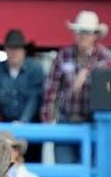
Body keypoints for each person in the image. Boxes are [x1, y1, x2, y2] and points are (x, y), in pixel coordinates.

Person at [40, 10, 111, 163]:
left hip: (94, 125)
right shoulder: (63, 55)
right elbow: (50, 91)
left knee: (94, 171)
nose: (82, 35)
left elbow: (107, 73)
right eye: (78, 31)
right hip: (67, 121)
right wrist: (48, 123)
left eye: (86, 32)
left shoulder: (104, 56)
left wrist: (87, 71)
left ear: (95, 35)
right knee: (64, 171)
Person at [0, 28, 45, 126]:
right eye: (10, 48)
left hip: (32, 126)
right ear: (5, 50)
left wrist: (23, 121)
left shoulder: (35, 69)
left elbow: (34, 98)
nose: (14, 52)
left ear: (24, 51)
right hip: (7, 125)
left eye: (17, 48)